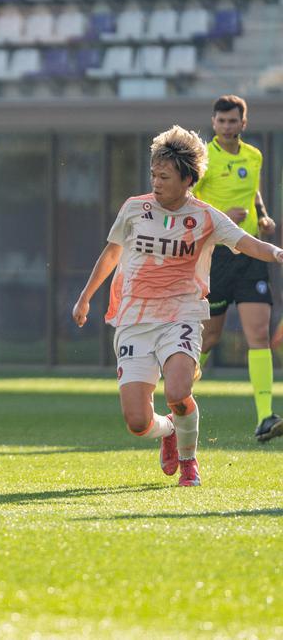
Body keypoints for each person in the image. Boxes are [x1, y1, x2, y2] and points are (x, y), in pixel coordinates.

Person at [72, 125, 283, 486]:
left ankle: (188, 461)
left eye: (164, 176)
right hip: (135, 317)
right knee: (138, 422)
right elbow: (112, 253)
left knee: (178, 391)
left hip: (182, 314)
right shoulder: (134, 209)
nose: (156, 182)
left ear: (187, 179)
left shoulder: (205, 216)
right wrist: (86, 297)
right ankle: (168, 430)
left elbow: (247, 242)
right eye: (153, 174)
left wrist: (277, 252)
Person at [192, 95, 283, 443]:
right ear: (213, 123)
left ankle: (264, 417)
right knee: (209, 336)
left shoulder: (253, 155)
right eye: (221, 121)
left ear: (244, 124)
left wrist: (261, 215)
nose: (227, 127)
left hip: (250, 255)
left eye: (233, 121)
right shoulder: (203, 159)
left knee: (258, 335)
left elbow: (254, 191)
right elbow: (191, 204)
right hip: (216, 256)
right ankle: (175, 387)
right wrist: (222, 219)